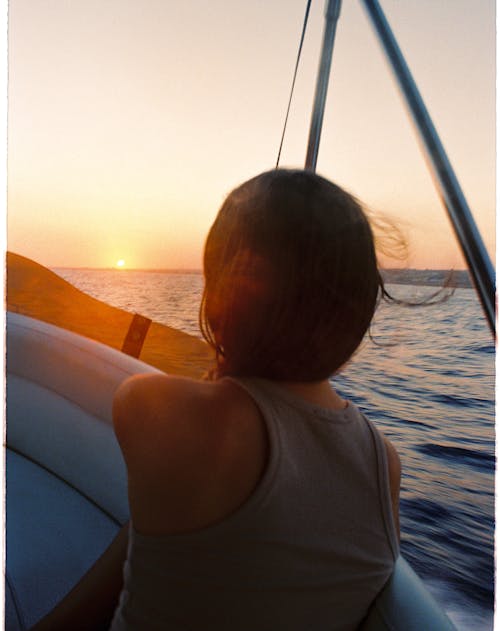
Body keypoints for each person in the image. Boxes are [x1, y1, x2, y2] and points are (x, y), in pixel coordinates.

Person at [32, 169, 400, 631]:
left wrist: (222, 377)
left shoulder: (160, 408)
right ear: (360, 311)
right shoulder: (384, 461)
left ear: (223, 295)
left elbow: (142, 408)